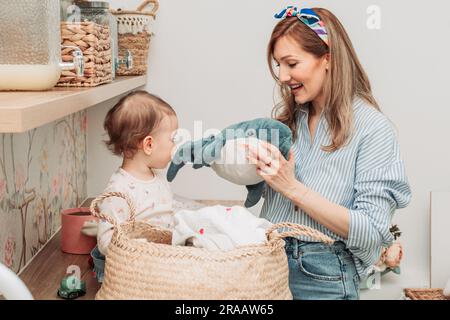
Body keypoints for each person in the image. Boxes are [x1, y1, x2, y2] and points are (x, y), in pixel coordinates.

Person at [246, 6, 412, 300]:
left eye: (291, 63)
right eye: (278, 64)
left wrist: (292, 187)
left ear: (328, 58)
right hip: (265, 266)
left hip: (322, 275)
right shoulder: (288, 122)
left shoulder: (373, 129)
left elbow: (371, 232)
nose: (283, 76)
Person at [90, 90, 179, 282]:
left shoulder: (156, 176)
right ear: (148, 145)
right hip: (137, 271)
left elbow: (163, 211)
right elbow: (106, 242)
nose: (175, 146)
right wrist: (141, 247)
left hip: (163, 259)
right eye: (172, 139)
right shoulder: (120, 191)